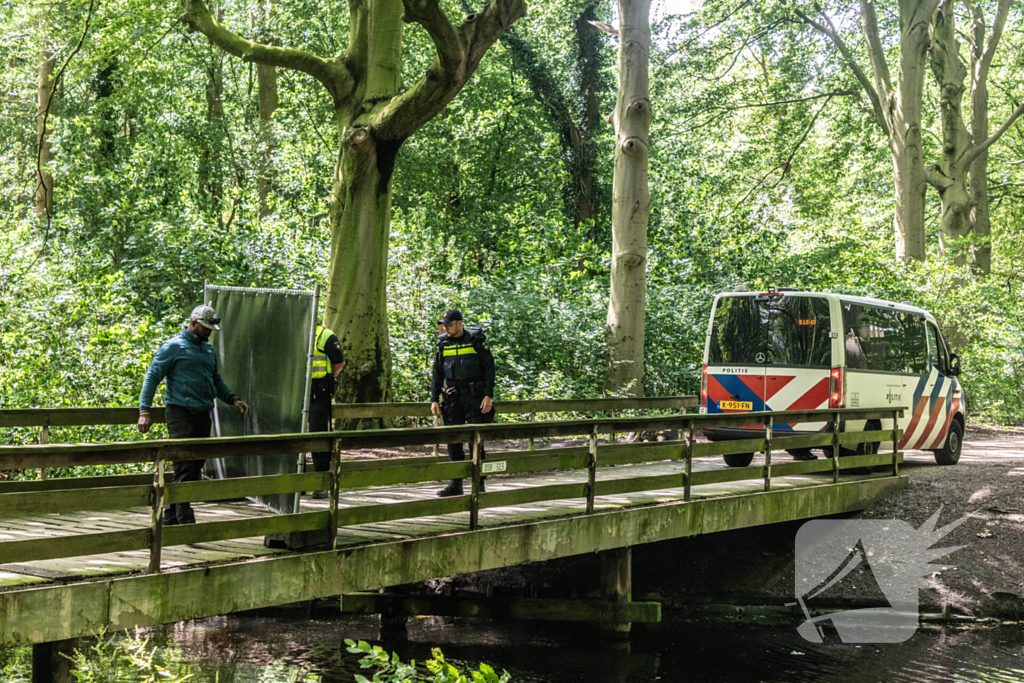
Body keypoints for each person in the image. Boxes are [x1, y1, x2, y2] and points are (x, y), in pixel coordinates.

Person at [138, 304, 251, 525]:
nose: (209, 331)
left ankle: (170, 515)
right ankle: (185, 515)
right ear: (193, 323)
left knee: (197, 462)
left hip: (203, 412)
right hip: (180, 412)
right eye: (206, 327)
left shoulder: (208, 350)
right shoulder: (173, 347)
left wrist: (232, 399)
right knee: (183, 462)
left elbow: (215, 380)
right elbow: (152, 377)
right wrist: (144, 411)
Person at [430, 309, 495, 497]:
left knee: (475, 440)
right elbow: (437, 373)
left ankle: (479, 483)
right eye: (444, 326)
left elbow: (489, 369)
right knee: (453, 440)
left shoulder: (476, 341)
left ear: (460, 323)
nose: (446, 329)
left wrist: (488, 395)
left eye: (449, 325)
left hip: (475, 398)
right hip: (452, 399)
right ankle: (455, 483)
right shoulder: (443, 343)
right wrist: (434, 399)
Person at [307, 322, 346, 498]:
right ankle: (296, 484)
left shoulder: (326, 335)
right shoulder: (296, 331)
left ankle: (321, 484)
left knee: (319, 436)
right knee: (293, 436)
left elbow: (339, 363)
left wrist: (328, 378)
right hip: (298, 390)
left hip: (319, 392)